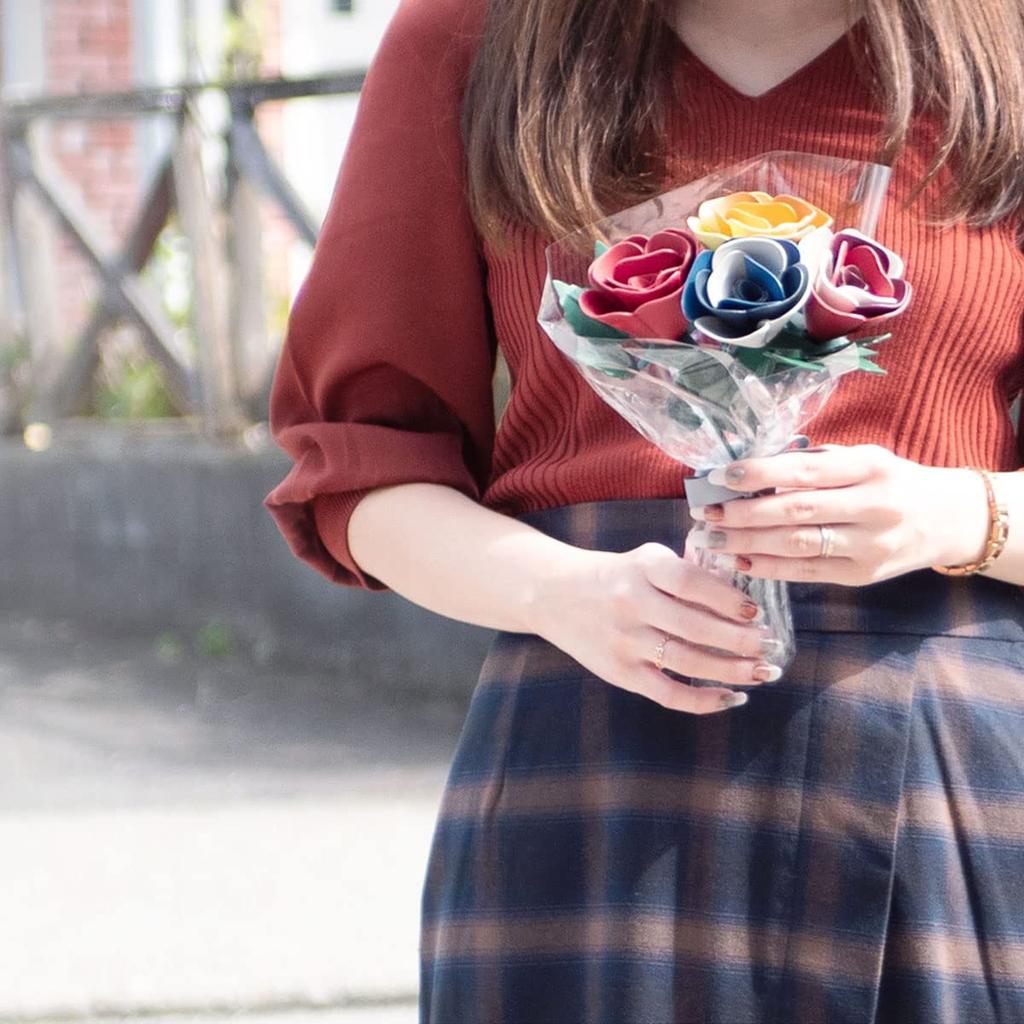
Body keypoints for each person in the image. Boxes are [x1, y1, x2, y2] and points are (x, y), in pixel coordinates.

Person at [264, 0, 1024, 1019]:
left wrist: (958, 515)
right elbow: (360, 467)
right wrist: (561, 590)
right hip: (584, 750)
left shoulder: (1005, 52)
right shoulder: (468, 41)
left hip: (940, 762)